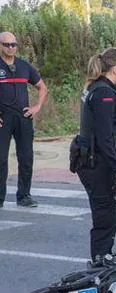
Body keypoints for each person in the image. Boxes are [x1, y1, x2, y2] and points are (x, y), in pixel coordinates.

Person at [69, 48, 116, 261]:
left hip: (93, 159)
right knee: (105, 220)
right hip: (96, 164)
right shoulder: (104, 93)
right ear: (115, 69)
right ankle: (100, 267)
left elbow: (100, 133)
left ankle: (102, 260)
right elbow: (104, 137)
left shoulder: (96, 87)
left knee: (105, 218)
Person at [0, 31, 47, 208]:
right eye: (6, 44)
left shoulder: (24, 66)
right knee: (1, 160)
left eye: (13, 44)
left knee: (26, 157)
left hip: (23, 117)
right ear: (0, 46)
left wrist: (37, 107)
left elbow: (42, 88)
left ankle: (24, 196)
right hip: (3, 119)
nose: (11, 48)